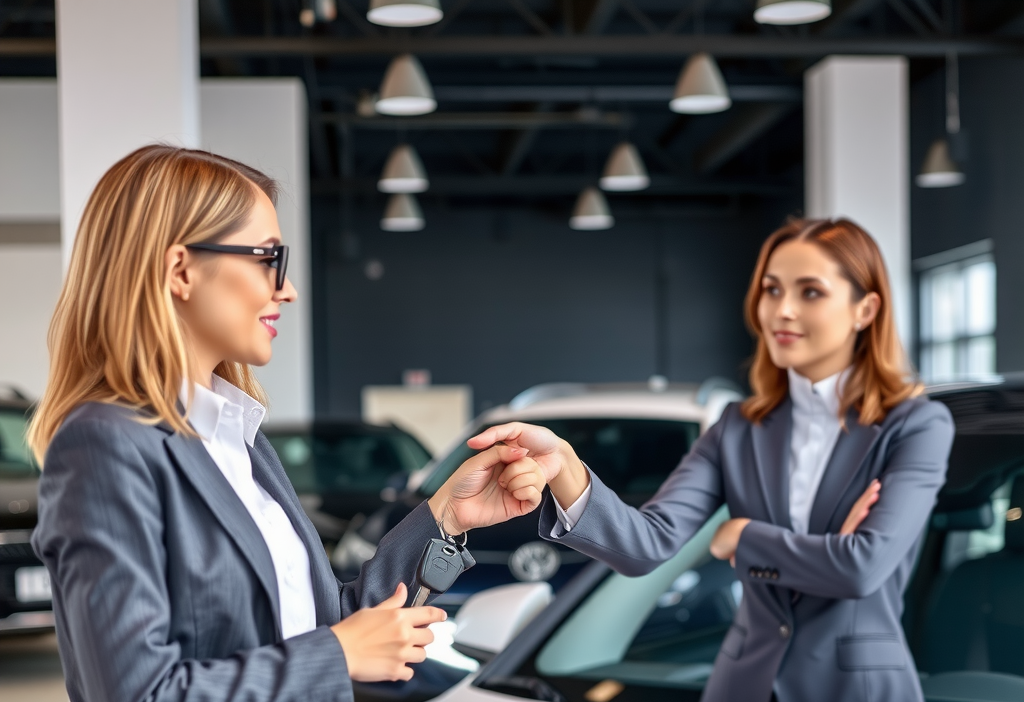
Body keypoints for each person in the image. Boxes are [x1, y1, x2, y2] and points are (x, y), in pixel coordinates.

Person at [27, 145, 547, 702]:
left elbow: (322, 627)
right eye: (267, 259)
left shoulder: (240, 441)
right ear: (180, 270)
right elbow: (135, 692)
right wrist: (339, 653)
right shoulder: (105, 445)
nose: (288, 289)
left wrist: (446, 515)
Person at [468, 218, 954, 702]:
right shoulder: (737, 428)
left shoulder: (915, 426)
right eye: (771, 290)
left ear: (865, 309)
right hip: (742, 686)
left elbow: (860, 569)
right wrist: (566, 466)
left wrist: (744, 537)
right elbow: (647, 547)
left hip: (856, 689)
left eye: (810, 292)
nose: (781, 311)